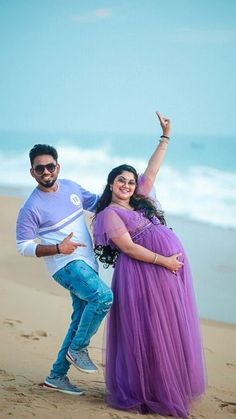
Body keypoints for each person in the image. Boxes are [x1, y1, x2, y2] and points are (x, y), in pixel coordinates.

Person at [93, 112, 206, 418]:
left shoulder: (141, 198)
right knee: (149, 329)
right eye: (121, 180)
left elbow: (153, 169)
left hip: (165, 270)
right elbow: (128, 247)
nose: (127, 185)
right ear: (111, 184)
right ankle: (149, 390)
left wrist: (165, 136)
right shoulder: (108, 215)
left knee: (168, 325)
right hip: (143, 274)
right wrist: (165, 259)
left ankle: (168, 384)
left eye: (130, 180)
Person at [16, 144, 113, 396]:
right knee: (103, 297)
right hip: (65, 265)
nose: (46, 171)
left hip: (87, 262)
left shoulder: (71, 187)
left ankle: (56, 376)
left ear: (57, 166)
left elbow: (100, 204)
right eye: (40, 168)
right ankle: (78, 348)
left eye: (50, 166)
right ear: (32, 172)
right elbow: (23, 247)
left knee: (80, 318)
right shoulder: (31, 207)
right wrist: (59, 247)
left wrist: (126, 187)